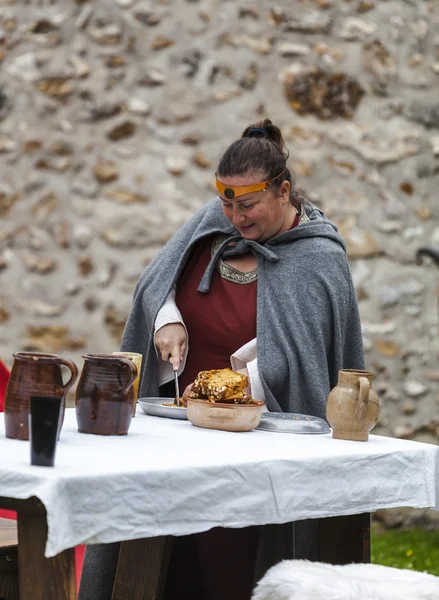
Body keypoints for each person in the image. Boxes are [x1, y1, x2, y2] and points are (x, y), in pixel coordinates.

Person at [78, 119, 364, 600]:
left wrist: (239, 380)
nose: (235, 216)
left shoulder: (318, 258)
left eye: (247, 204)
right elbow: (154, 282)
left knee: (231, 565)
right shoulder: (211, 220)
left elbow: (306, 361)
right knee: (159, 556)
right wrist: (166, 317)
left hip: (256, 455)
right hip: (176, 435)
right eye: (227, 202)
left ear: (283, 191)